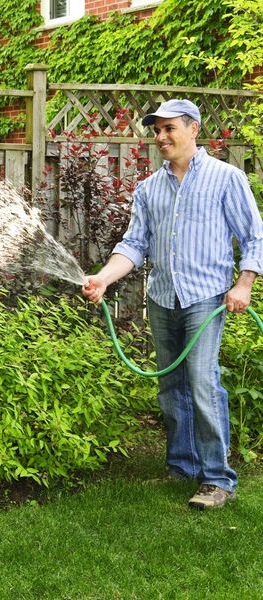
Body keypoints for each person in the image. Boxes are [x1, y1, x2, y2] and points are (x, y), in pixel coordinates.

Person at [82, 98, 263, 510]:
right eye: (157, 130)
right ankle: (182, 466)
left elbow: (255, 236)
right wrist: (104, 278)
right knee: (171, 387)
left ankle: (217, 479)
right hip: (163, 298)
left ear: (193, 129)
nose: (160, 137)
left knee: (201, 382)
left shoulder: (225, 178)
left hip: (206, 297)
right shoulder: (148, 188)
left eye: (169, 129)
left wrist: (245, 284)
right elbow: (133, 245)